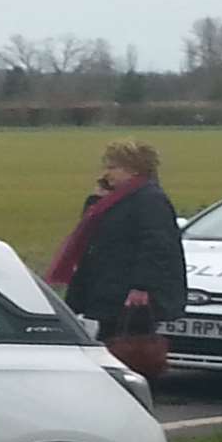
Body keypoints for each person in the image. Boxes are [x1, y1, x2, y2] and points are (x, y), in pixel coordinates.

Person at [48, 138, 187, 342]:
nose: (106, 173)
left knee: (126, 345)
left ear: (133, 169)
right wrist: (97, 200)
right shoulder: (114, 199)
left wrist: (142, 286)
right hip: (105, 288)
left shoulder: (149, 199)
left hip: (126, 295)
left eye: (113, 167)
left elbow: (157, 246)